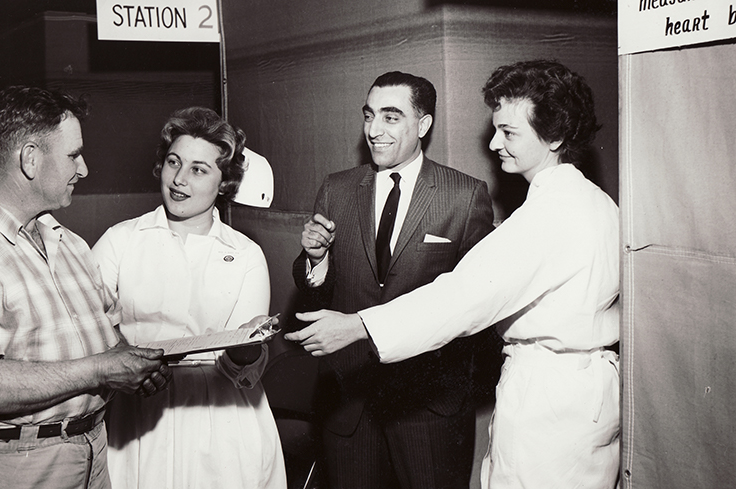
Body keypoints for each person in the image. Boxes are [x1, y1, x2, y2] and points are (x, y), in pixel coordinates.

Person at [286, 59, 620, 489]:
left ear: (554, 136)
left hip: (549, 407)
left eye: (509, 132)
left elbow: (462, 296)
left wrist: (359, 326)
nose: (495, 142)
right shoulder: (597, 203)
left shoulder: (546, 214)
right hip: (582, 402)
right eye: (496, 128)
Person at [0, 86, 171, 489]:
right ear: (29, 158)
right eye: (73, 155)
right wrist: (102, 371)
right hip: (7, 466)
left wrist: (135, 365)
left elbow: (107, 341)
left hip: (92, 451)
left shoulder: (68, 243)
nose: (84, 169)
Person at [292, 71, 500, 489]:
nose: (373, 130)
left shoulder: (464, 195)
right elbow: (314, 287)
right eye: (369, 116)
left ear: (423, 125)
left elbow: (481, 303)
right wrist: (316, 261)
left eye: (390, 117)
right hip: (350, 403)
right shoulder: (337, 189)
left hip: (427, 407)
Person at [92, 106, 286, 489]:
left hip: (220, 417)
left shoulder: (245, 254)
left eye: (199, 169)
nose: (179, 179)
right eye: (173, 162)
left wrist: (248, 347)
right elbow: (84, 327)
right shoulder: (121, 240)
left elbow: (243, 368)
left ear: (224, 182)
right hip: (139, 414)